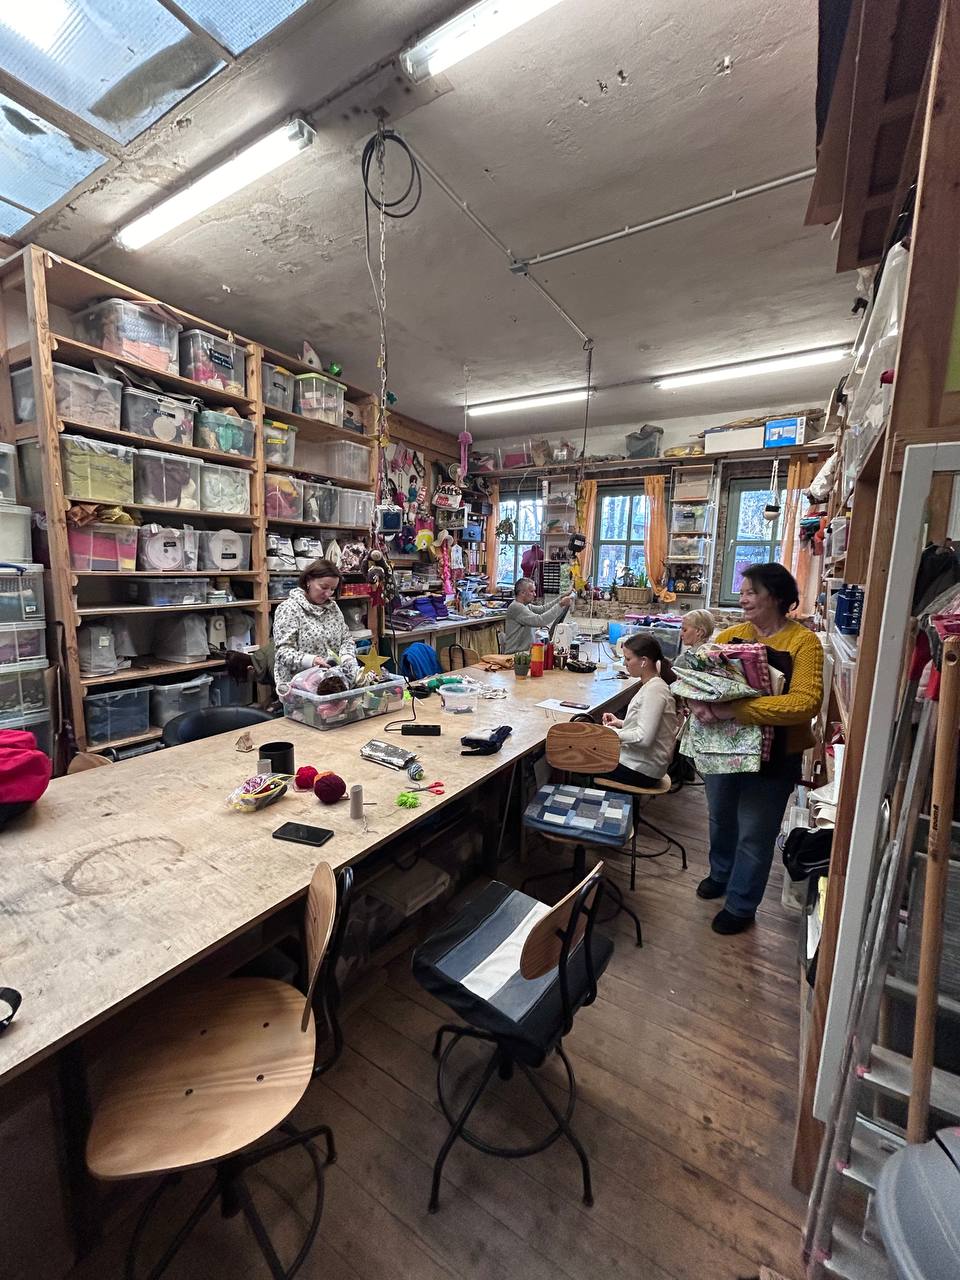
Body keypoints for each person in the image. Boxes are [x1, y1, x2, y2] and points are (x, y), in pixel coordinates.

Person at [688, 563, 823, 935]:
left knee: (755, 832)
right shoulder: (731, 635)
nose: (743, 599)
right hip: (725, 748)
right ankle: (721, 873)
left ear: (776, 597)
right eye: (743, 591)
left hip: (776, 757)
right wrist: (698, 702)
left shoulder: (803, 642)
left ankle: (741, 904)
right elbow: (702, 681)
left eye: (752, 592)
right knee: (721, 818)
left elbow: (805, 703)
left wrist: (736, 710)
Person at [599, 634, 679, 786]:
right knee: (584, 755)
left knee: (578, 760)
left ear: (643, 661)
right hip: (642, 764)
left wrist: (611, 733)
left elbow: (643, 738)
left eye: (628, 659)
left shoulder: (655, 691)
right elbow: (652, 726)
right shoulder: (652, 685)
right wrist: (621, 723)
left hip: (641, 769)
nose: (625, 663)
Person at [272, 559, 358, 687]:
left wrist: (347, 658)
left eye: (332, 589)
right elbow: (282, 653)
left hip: (331, 683)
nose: (327, 594)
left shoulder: (332, 608)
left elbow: (346, 639)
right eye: (323, 587)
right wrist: (311, 660)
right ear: (308, 581)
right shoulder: (289, 609)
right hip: (299, 687)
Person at [502, 577, 573, 653]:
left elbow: (543, 609)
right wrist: (561, 605)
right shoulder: (516, 607)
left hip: (524, 653)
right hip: (516, 655)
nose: (535, 594)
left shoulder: (526, 605)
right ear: (522, 593)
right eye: (532, 591)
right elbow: (540, 620)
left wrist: (561, 598)